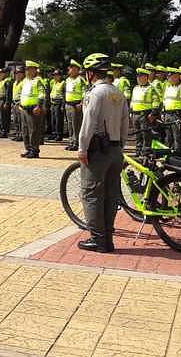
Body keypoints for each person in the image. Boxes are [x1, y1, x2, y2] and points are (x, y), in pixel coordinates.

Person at [77, 53, 129, 253]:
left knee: (91, 194)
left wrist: (82, 148)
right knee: (110, 194)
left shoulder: (95, 93)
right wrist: (121, 145)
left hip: (98, 150)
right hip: (116, 148)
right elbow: (125, 121)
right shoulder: (118, 92)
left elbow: (88, 123)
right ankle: (108, 238)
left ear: (91, 73)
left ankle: (98, 240)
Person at [19, 60, 46, 158]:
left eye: (29, 69)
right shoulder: (25, 80)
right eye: (26, 70)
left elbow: (42, 94)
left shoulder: (38, 80)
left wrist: (39, 106)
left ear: (35, 70)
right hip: (24, 108)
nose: (27, 71)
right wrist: (20, 105)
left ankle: (34, 150)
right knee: (25, 130)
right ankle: (28, 149)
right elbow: (23, 93)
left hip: (33, 109)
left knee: (33, 131)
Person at [130, 68, 159, 154]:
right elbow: (132, 101)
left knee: (146, 134)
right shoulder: (135, 88)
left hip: (145, 114)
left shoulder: (151, 88)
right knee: (137, 134)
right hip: (135, 114)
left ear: (146, 77)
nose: (138, 79)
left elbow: (156, 101)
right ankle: (138, 150)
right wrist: (131, 112)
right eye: (138, 77)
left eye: (141, 77)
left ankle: (146, 151)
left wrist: (153, 114)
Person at [161, 66, 181, 151]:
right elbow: (164, 101)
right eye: (168, 76)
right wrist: (163, 113)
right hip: (167, 115)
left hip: (177, 114)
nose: (168, 78)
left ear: (176, 77)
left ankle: (178, 154)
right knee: (168, 136)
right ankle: (168, 154)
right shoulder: (168, 87)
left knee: (177, 136)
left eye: (170, 76)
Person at [64, 60, 86, 151]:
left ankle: (76, 143)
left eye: (72, 68)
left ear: (77, 69)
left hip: (76, 105)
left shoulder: (80, 79)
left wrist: (81, 103)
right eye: (70, 68)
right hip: (68, 104)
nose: (70, 70)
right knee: (70, 125)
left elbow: (85, 92)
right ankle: (71, 142)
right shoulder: (67, 79)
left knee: (76, 125)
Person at [0, 68, 12, 138]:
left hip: (2, 100)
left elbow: (8, 93)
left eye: (0, 73)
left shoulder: (6, 81)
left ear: (3, 74)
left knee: (3, 117)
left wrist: (7, 102)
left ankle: (4, 131)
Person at [49, 69, 65, 141]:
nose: (55, 77)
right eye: (54, 75)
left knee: (59, 120)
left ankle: (59, 134)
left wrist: (62, 105)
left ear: (60, 76)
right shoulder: (54, 83)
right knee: (53, 120)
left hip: (59, 102)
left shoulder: (63, 83)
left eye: (57, 75)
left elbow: (64, 95)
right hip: (53, 103)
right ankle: (54, 133)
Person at [11, 67, 25, 141]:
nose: (17, 75)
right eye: (16, 74)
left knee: (21, 120)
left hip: (20, 103)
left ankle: (22, 135)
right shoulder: (15, 83)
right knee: (15, 120)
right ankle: (17, 133)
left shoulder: (24, 82)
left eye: (19, 74)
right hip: (14, 102)